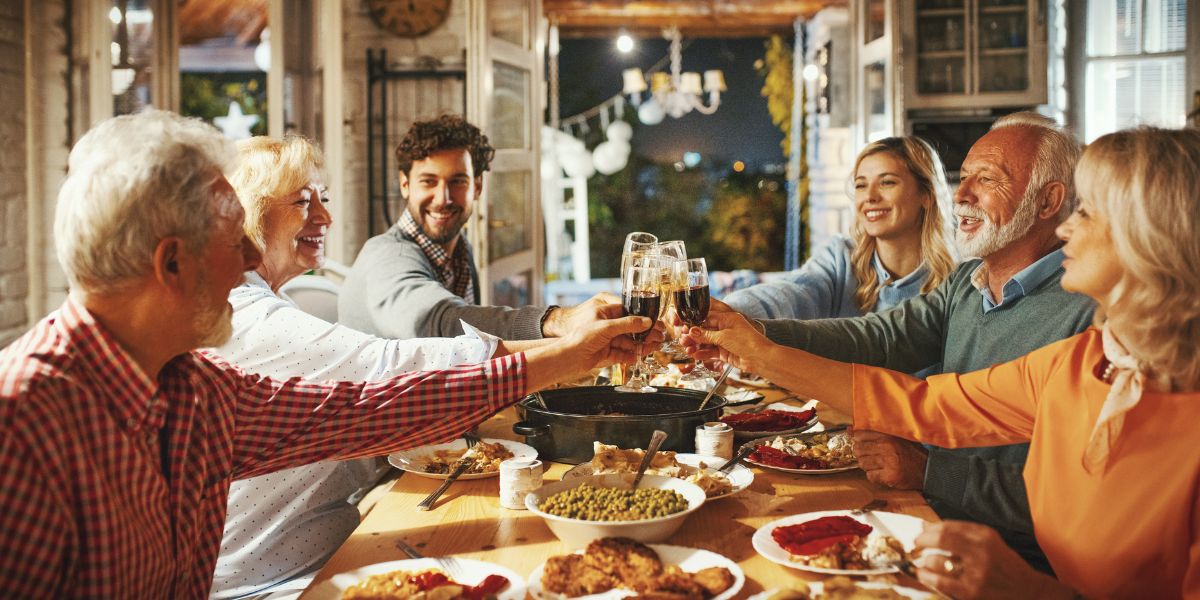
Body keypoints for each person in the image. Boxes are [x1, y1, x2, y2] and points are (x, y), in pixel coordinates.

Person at [0, 111, 652, 599]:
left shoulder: (187, 387)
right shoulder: (24, 424)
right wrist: (563, 346)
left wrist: (567, 357)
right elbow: (381, 381)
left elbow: (365, 410)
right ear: (171, 262)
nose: (254, 261)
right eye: (237, 243)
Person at [685, 125, 1200, 600]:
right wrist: (756, 346)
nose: (1069, 230)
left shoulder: (1105, 351)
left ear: (1150, 238)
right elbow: (921, 403)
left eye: (1088, 213)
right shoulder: (1083, 362)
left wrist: (1033, 592)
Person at [208, 136, 554, 599]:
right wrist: (569, 340)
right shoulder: (253, 317)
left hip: (332, 544)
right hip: (275, 583)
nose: (325, 217)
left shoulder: (263, 299)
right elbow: (406, 353)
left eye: (323, 200)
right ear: (250, 211)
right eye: (303, 202)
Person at [339, 114, 611, 340]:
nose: (443, 198)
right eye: (428, 181)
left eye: (457, 181)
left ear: (477, 186)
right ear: (405, 184)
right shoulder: (387, 256)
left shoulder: (459, 248)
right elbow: (440, 324)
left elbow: (466, 350)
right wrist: (558, 321)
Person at [723, 136, 955, 321]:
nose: (869, 197)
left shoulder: (957, 282)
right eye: (861, 185)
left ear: (927, 195)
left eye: (887, 182)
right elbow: (792, 292)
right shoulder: (841, 259)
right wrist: (729, 311)